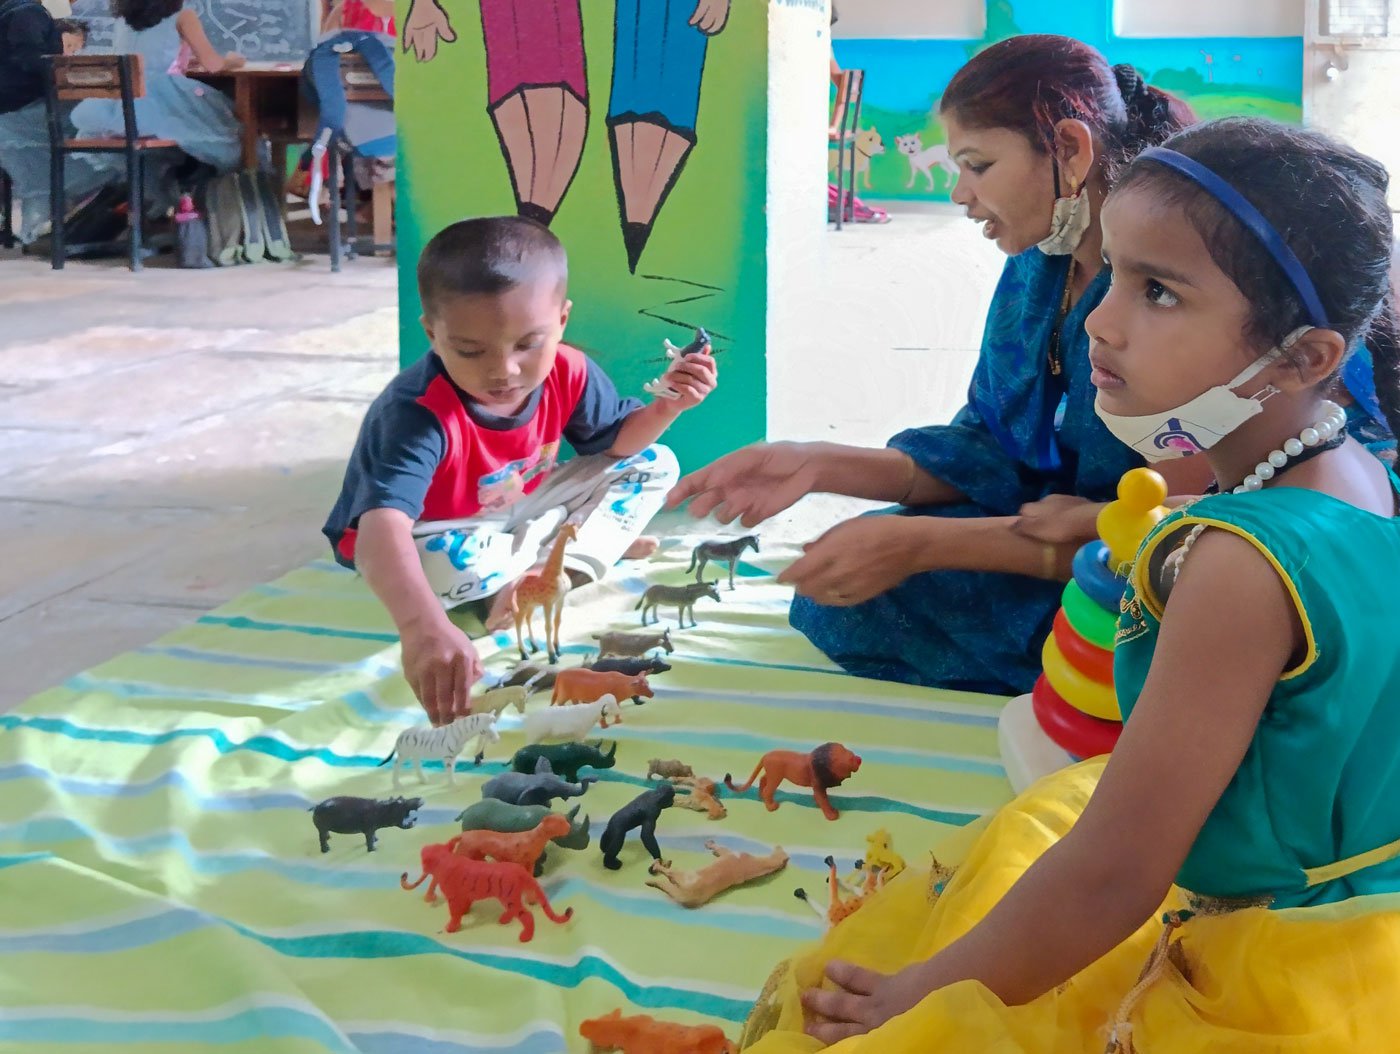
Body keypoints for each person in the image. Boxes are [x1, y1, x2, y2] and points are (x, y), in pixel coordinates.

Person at [738, 116, 1400, 1053]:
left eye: (1160, 291)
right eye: (1117, 273)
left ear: (1301, 358)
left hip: (1279, 951)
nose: (1100, 318)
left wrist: (918, 996)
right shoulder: (1359, 475)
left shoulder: (1239, 564)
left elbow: (1114, 876)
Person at [673, 35, 1199, 694]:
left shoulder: (1169, 305)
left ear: (1069, 149)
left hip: (1150, 574)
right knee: (851, 578)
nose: (959, 194)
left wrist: (925, 544)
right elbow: (993, 452)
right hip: (1053, 533)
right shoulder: (1035, 271)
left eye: (977, 165)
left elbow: (1181, 532)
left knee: (1142, 628)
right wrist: (817, 463)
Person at [323, 216, 718, 725]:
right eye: (470, 350)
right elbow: (382, 528)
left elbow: (617, 444)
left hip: (520, 504)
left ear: (562, 321)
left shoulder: (569, 371)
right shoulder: (416, 412)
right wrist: (421, 628)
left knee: (654, 463)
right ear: (432, 333)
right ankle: (574, 551)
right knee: (447, 569)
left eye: (528, 344)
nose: (502, 370)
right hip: (442, 530)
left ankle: (553, 567)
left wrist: (670, 404)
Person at [71, 0, 244, 175]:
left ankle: (166, 182)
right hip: (156, 102)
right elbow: (212, 64)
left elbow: (141, 57)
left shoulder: (123, 18)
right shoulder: (183, 15)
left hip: (116, 107)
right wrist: (231, 60)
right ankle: (229, 187)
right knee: (230, 129)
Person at [0, 0, 119, 243]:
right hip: (15, 110)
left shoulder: (26, 13)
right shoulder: (30, 13)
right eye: (71, 46)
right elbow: (28, 59)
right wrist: (67, 72)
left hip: (16, 105)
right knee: (93, 116)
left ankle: (72, 206)